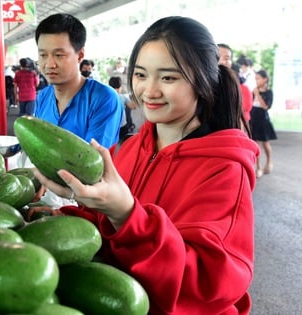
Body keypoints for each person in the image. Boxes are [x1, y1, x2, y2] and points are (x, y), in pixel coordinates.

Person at [33, 16, 259, 314]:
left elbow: (208, 284)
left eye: (168, 78)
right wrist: (69, 214)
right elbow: (107, 227)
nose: (149, 91)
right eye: (141, 75)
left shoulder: (225, 170)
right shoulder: (133, 147)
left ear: (203, 81)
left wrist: (126, 213)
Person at [34, 13, 123, 148]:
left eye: (59, 55)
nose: (49, 64)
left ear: (80, 55)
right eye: (43, 55)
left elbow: (92, 163)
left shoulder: (104, 98)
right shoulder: (43, 97)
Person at [251, 69, 277, 178]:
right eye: (256, 78)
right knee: (255, 145)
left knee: (266, 144)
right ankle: (258, 167)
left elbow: (266, 106)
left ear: (265, 79)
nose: (257, 81)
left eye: (258, 78)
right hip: (253, 120)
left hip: (263, 120)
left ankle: (269, 162)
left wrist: (258, 95)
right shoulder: (254, 91)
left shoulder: (269, 92)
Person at [218, 43, 253, 125]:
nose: (222, 61)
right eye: (218, 57)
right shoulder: (202, 84)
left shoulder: (237, 87)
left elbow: (246, 107)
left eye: (227, 58)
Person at [108, 76, 134, 141]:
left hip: (111, 126)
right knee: (124, 143)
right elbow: (133, 106)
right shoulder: (122, 97)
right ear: (119, 88)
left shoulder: (106, 97)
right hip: (122, 126)